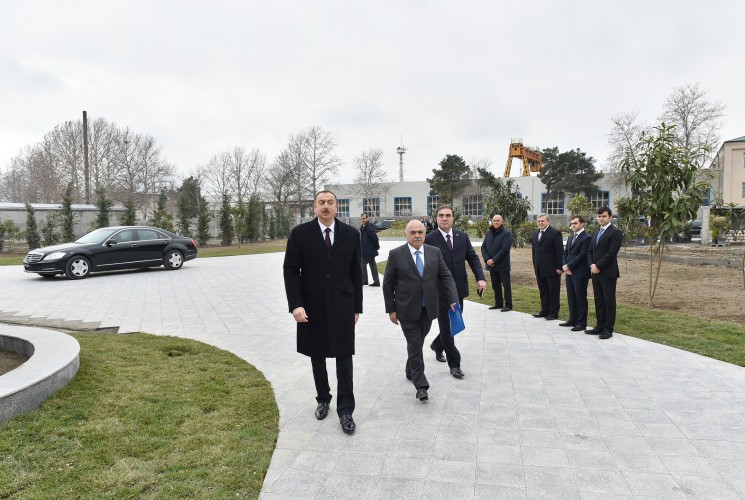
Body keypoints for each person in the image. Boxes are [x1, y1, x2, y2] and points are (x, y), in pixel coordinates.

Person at [283, 190, 363, 434]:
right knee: (317, 355)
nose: (326, 206)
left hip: (342, 305)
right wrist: (295, 305)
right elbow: (290, 271)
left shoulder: (351, 234)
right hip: (311, 306)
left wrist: (357, 307)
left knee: (344, 357)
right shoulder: (299, 234)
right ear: (314, 207)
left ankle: (346, 409)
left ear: (337, 207)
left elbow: (356, 272)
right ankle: (323, 399)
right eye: (321, 203)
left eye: (330, 202)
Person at [382, 220, 458, 401]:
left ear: (425, 233)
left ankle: (410, 370)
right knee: (415, 345)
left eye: (420, 232)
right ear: (406, 234)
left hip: (428, 309)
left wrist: (453, 299)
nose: (417, 235)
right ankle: (421, 385)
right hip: (406, 309)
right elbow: (387, 284)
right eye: (413, 232)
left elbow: (446, 276)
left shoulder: (434, 252)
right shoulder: (396, 254)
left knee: (418, 342)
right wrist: (391, 310)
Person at [425, 205, 486, 378]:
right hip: (440, 291)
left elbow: (472, 258)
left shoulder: (462, 236)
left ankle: (437, 345)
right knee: (447, 325)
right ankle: (455, 364)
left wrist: (480, 278)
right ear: (436, 218)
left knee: (454, 324)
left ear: (453, 218)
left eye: (448, 215)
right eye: (441, 215)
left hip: (459, 288)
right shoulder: (429, 239)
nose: (444, 218)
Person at [587, 206, 623, 340]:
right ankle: (599, 326)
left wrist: (598, 265)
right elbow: (589, 251)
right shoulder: (596, 232)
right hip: (595, 271)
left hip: (608, 272)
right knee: (598, 300)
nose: (601, 218)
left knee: (608, 301)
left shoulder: (615, 233)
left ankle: (608, 329)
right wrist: (591, 265)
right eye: (599, 216)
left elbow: (611, 253)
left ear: (610, 218)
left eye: (604, 216)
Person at [560, 215, 591, 331]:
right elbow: (565, 253)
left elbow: (582, 255)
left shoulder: (587, 237)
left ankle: (582, 323)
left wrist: (569, 266)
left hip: (580, 272)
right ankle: (572, 320)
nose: (573, 225)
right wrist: (564, 266)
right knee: (571, 297)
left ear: (582, 224)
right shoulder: (570, 237)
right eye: (572, 223)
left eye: (575, 223)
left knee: (580, 297)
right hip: (569, 272)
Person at [531, 214, 563, 320]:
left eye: (542, 221)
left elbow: (559, 251)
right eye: (539, 221)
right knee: (543, 291)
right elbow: (534, 251)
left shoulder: (555, 233)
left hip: (552, 269)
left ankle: (553, 313)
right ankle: (544, 311)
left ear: (548, 221)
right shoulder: (536, 233)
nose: (540, 223)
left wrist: (560, 267)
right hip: (539, 268)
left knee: (553, 291)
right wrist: (535, 265)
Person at [481, 214, 513, 312]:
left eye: (498, 220)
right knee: (495, 285)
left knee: (506, 286)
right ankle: (498, 303)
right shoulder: (489, 233)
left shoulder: (506, 234)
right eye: (494, 220)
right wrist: (487, 260)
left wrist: (493, 260)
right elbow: (483, 247)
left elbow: (504, 250)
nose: (496, 222)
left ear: (502, 221)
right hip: (491, 265)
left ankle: (508, 305)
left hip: (502, 265)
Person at [359, 213, 380, 287]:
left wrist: (377, 247)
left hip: (369, 250)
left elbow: (375, 238)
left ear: (367, 218)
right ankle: (376, 281)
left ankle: (364, 281)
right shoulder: (363, 227)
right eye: (361, 219)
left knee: (362, 265)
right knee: (372, 265)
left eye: (364, 219)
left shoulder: (369, 227)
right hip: (366, 250)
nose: (362, 220)